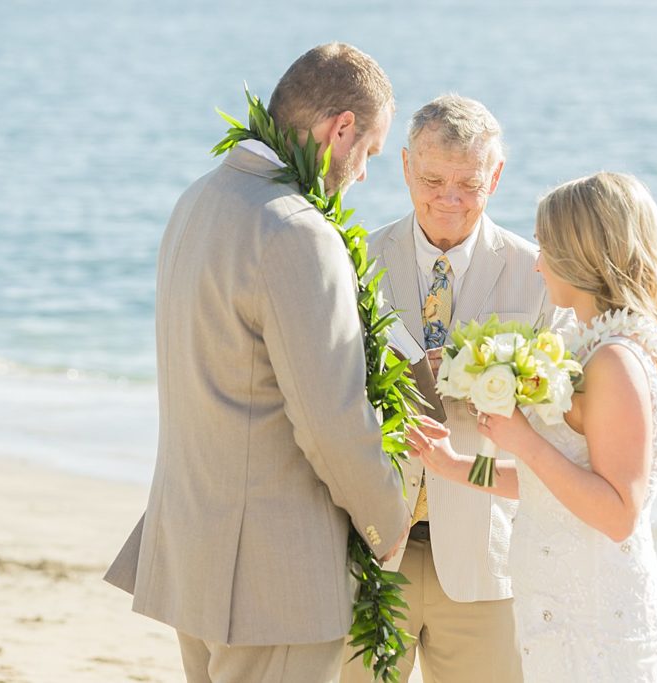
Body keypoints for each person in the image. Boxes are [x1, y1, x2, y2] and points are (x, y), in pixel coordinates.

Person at [102, 43, 410, 683]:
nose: (364, 173)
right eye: (370, 153)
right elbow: (330, 418)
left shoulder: (201, 197)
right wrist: (387, 519)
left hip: (197, 550)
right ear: (340, 130)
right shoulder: (295, 232)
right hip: (275, 580)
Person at [408, 172, 657, 681]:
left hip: (595, 618)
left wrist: (522, 438)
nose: (539, 262)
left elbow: (617, 513)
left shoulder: (615, 361)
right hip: (559, 608)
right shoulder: (589, 350)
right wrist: (457, 468)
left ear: (582, 256)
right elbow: (554, 483)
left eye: (548, 247)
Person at [341, 95, 557, 683]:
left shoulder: (537, 273)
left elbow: (559, 419)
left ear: (498, 176)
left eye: (469, 183)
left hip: (485, 557)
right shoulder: (352, 260)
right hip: (369, 549)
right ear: (406, 165)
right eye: (433, 179)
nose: (449, 199)